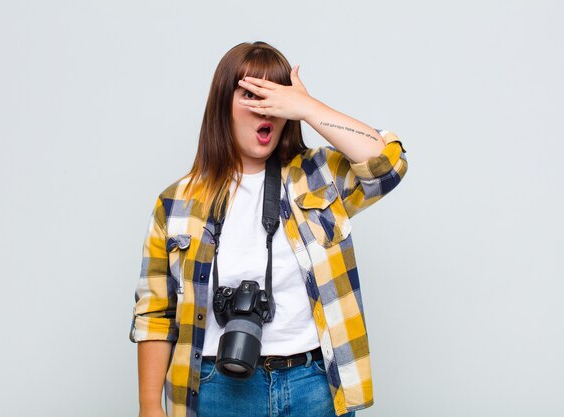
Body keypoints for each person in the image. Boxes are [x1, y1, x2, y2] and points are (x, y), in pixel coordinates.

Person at [129, 41, 408, 417]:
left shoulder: (317, 178)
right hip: (215, 386)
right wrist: (150, 407)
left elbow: (388, 163)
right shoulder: (176, 203)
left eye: (275, 97)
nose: (266, 108)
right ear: (222, 105)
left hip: (314, 384)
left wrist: (307, 108)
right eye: (251, 94)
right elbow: (155, 315)